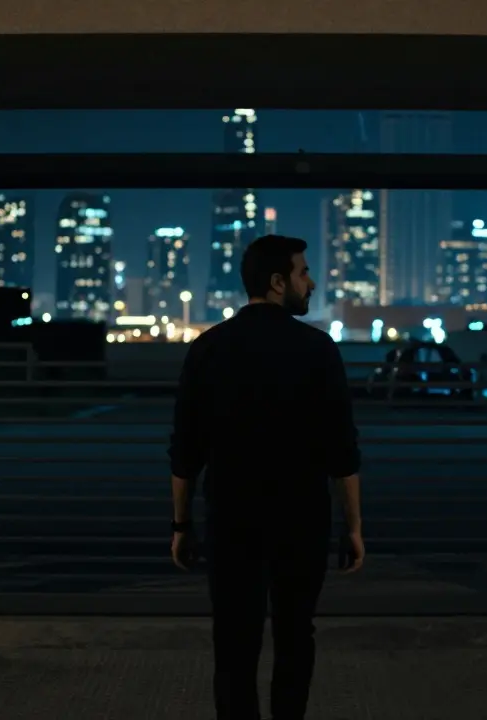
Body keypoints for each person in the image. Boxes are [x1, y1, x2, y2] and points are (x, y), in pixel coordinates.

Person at [167, 234, 364, 720]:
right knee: (296, 635)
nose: (311, 283)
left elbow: (185, 452)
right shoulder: (317, 349)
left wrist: (181, 525)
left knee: (234, 642)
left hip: (231, 521)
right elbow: (342, 451)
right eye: (303, 273)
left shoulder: (208, 349)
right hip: (302, 520)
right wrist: (354, 527)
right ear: (278, 282)